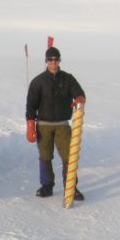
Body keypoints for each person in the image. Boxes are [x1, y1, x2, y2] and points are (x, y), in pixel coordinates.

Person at [26, 46, 86, 199]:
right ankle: (47, 186)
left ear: (59, 61)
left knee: (69, 156)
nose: (53, 62)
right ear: (46, 61)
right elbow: (31, 105)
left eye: (56, 59)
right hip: (43, 126)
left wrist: (79, 98)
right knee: (45, 156)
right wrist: (30, 125)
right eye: (50, 59)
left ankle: (71, 187)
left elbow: (79, 92)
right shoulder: (38, 81)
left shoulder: (68, 78)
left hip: (62, 126)